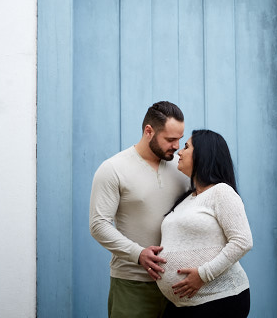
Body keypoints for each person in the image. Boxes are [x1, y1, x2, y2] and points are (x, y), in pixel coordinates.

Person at [90, 101, 191, 318]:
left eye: (180, 139)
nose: (176, 146)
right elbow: (98, 225)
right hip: (132, 284)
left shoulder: (182, 168)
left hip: (178, 287)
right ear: (149, 131)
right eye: (170, 139)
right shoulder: (113, 169)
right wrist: (138, 254)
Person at [157, 129, 253, 317]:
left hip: (220, 298)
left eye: (186, 147)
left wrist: (203, 275)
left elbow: (243, 241)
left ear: (204, 153)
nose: (179, 152)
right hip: (182, 302)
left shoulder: (221, 192)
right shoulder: (186, 199)